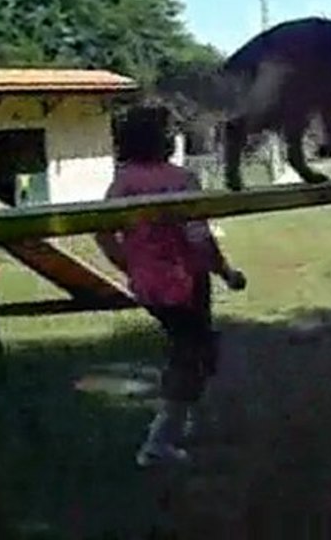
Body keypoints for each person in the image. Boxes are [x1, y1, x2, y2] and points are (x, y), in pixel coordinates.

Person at [96, 102, 246, 468]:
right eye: (167, 131)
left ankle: (181, 421)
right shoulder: (180, 180)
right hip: (185, 283)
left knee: (197, 349)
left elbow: (103, 234)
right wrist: (226, 272)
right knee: (191, 357)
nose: (172, 136)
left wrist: (132, 265)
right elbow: (199, 238)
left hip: (151, 287)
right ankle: (159, 442)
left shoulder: (123, 181)